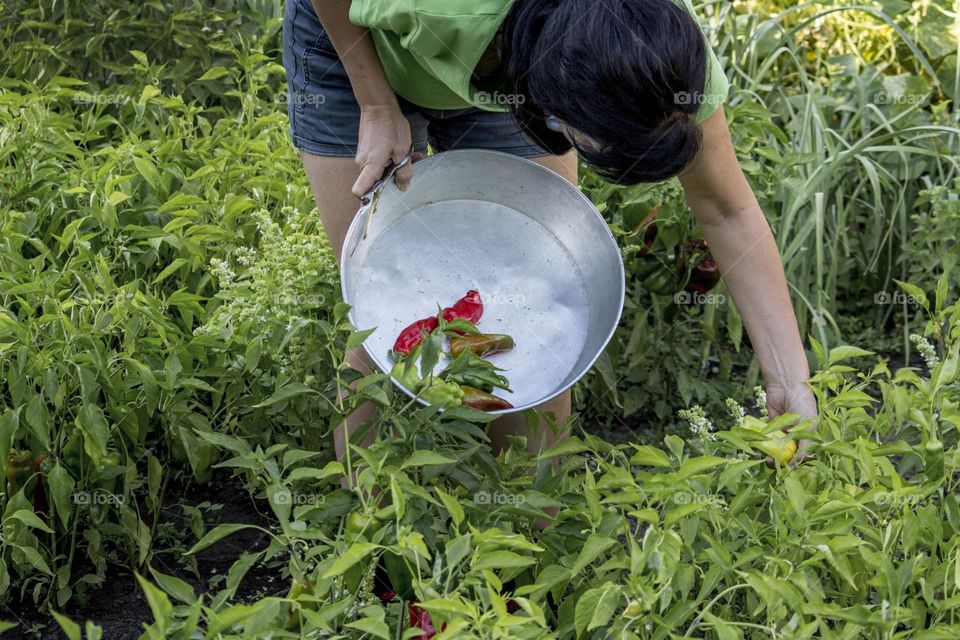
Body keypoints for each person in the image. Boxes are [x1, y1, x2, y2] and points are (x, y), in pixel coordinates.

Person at [281, 0, 818, 472]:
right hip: (352, 33)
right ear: (561, 103)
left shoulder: (658, 56)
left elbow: (727, 210)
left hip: (520, 56)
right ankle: (365, 554)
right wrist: (376, 104)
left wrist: (790, 381)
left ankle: (528, 545)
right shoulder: (441, 6)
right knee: (381, 315)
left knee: (539, 297)